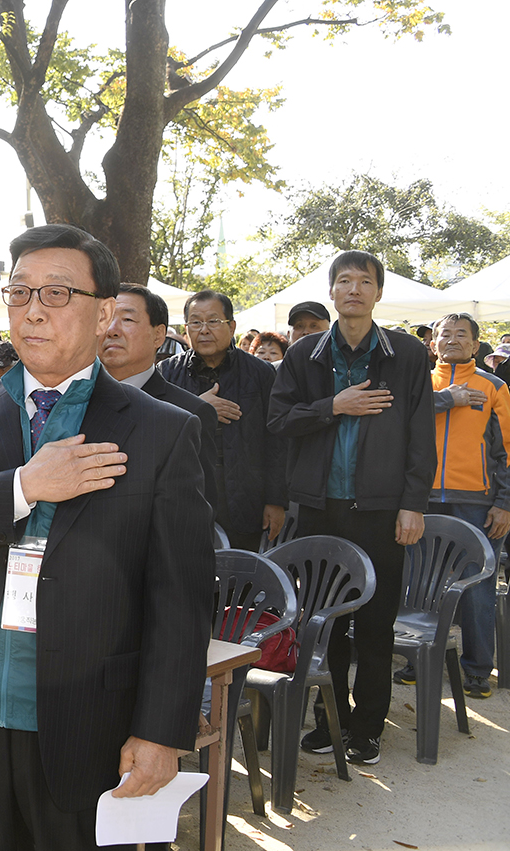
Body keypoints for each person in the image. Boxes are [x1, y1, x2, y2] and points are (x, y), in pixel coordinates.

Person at [0, 224, 213, 849]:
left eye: (58, 293)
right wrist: (23, 486)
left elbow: (182, 596)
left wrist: (161, 731)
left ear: (103, 316)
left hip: (90, 717)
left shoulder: (161, 430)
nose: (33, 309)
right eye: (20, 293)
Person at [268, 250, 434, 765]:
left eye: (365, 281)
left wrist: (413, 504)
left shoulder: (405, 353)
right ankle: (330, 721)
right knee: (325, 622)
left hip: (381, 509)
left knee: (377, 623)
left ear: (379, 293)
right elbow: (278, 421)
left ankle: (368, 728)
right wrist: (332, 407)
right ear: (333, 291)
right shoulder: (306, 354)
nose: (355, 289)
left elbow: (420, 435)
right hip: (319, 508)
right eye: (345, 281)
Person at [394, 313, 508, 700]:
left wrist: (505, 503)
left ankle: (476, 669)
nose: (453, 340)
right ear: (433, 343)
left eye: (463, 335)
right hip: (419, 500)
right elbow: (399, 431)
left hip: (477, 503)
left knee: (477, 587)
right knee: (419, 583)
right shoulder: (419, 385)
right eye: (446, 334)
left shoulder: (494, 387)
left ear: (477, 345)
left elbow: (507, 451)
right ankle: (416, 658)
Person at [159, 290, 287, 550]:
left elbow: (277, 440)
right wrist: (198, 407)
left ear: (231, 326)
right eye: (195, 322)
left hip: (243, 495)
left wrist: (276, 501)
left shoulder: (260, 373)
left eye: (213, 321)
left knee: (240, 577)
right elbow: (157, 430)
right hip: (184, 493)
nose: (204, 330)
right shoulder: (167, 372)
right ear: (186, 329)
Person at [101, 283, 218, 516]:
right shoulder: (69, 401)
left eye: (127, 320)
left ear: (158, 335)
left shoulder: (189, 413)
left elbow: (195, 513)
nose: (112, 330)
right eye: (104, 319)